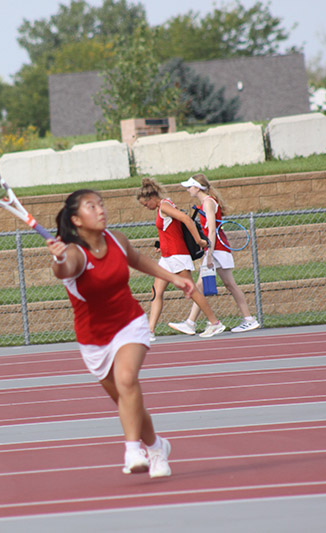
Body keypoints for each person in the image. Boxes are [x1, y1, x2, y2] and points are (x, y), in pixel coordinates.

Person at [45, 189, 195, 479]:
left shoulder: (117, 239)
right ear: (76, 219)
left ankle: (132, 450)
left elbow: (138, 260)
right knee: (128, 400)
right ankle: (155, 447)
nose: (100, 210)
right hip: (93, 339)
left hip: (129, 323)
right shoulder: (74, 253)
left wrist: (175, 278)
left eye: (101, 204)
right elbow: (64, 271)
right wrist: (59, 260)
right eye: (91, 206)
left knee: (127, 380)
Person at [136, 178, 226, 340]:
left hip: (176, 255)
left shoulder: (164, 206)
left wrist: (199, 240)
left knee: (192, 291)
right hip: (167, 256)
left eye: (145, 204)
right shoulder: (164, 205)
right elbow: (171, 230)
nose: (146, 207)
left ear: (151, 198)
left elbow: (186, 219)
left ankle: (214, 322)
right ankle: (149, 331)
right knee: (156, 291)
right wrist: (160, 244)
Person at [173, 173, 260, 334]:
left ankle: (248, 319)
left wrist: (209, 254)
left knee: (214, 285)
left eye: (189, 187)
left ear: (197, 187)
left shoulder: (208, 203)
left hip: (217, 249)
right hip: (216, 249)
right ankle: (191, 323)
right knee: (215, 285)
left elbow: (212, 230)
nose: (187, 190)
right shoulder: (208, 202)